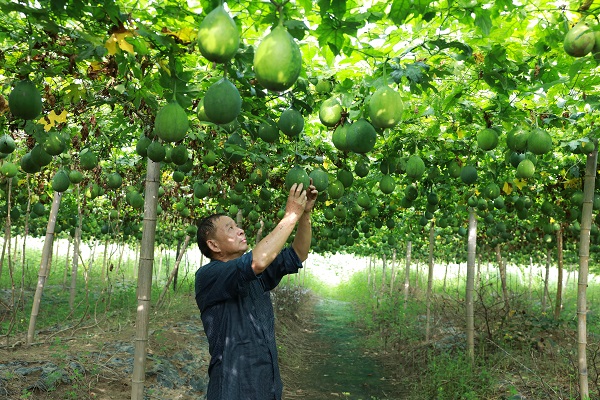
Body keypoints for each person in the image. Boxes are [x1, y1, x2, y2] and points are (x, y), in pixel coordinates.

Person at [194, 181, 318, 400]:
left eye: (236, 226)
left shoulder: (253, 275)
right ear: (214, 245)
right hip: (233, 389)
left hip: (266, 386)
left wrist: (304, 215)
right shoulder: (209, 276)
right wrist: (290, 216)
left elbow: (298, 253)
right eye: (230, 228)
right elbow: (258, 261)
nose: (240, 230)